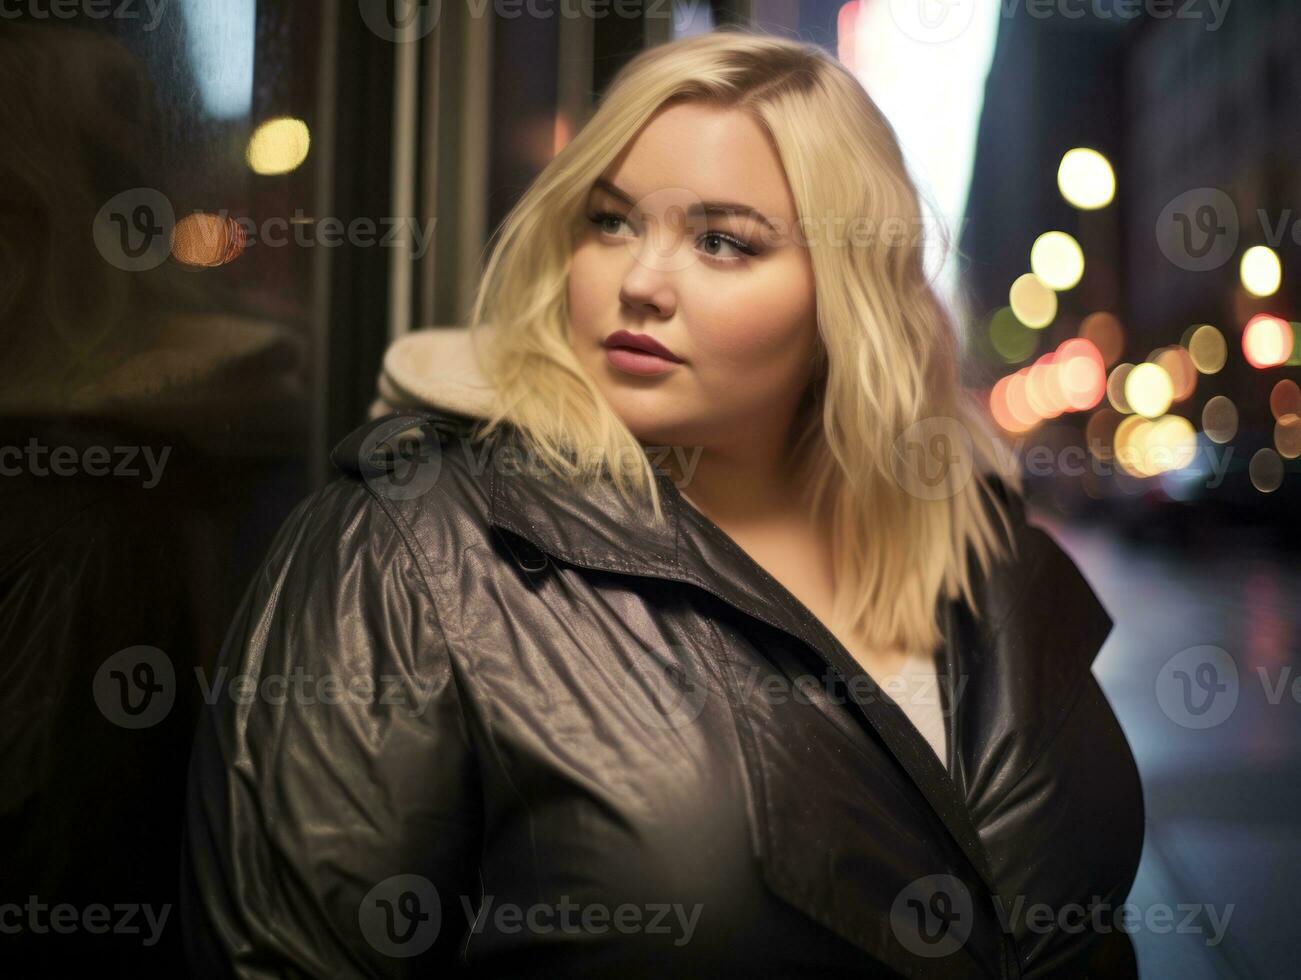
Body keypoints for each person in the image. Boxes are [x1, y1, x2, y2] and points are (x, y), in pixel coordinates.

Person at [180, 28, 1144, 978]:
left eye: (721, 242)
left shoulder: (978, 543)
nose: (638, 282)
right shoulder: (410, 544)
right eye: (610, 221)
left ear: (845, 297)